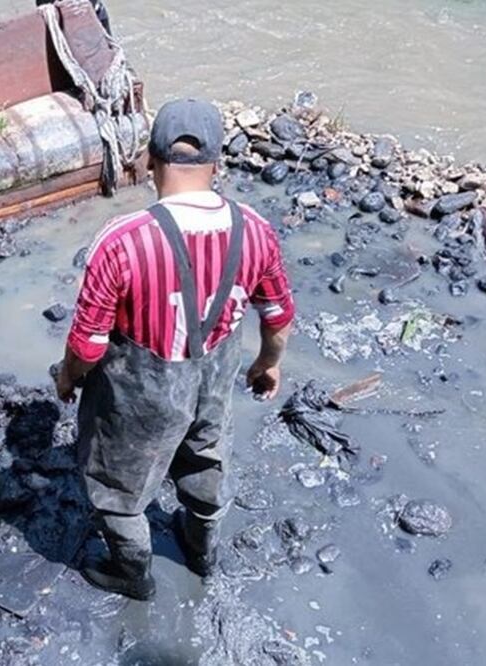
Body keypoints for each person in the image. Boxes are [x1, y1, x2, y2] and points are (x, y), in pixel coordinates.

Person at [55, 99, 295, 600]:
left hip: (140, 395)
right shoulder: (255, 229)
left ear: (149, 159)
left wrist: (67, 378)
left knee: (118, 488)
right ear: (217, 164)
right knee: (207, 460)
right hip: (214, 378)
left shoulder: (121, 240)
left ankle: (133, 576)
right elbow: (277, 316)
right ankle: (201, 551)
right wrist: (267, 365)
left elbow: (87, 344)